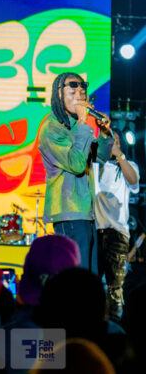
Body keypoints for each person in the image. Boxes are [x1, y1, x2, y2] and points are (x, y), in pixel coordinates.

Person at [38, 72, 113, 272]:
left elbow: (100, 158)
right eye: (73, 93)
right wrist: (82, 123)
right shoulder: (52, 129)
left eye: (82, 93)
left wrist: (105, 135)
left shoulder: (74, 128)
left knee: (89, 276)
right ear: (59, 95)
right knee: (75, 278)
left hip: (86, 213)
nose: (79, 98)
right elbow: (77, 164)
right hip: (69, 213)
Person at [95, 128, 140, 321]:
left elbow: (134, 181)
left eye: (116, 141)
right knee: (94, 285)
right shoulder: (96, 165)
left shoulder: (129, 165)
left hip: (118, 234)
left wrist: (119, 155)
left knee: (115, 287)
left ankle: (115, 327)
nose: (113, 144)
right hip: (95, 232)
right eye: (109, 141)